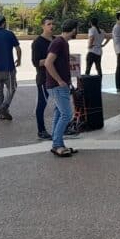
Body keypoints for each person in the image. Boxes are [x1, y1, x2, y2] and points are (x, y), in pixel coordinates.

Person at [44, 19, 79, 157]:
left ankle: (58, 143)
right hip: (57, 86)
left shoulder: (62, 42)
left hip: (60, 85)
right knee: (67, 114)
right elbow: (48, 63)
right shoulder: (59, 42)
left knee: (59, 113)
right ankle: (57, 145)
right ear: (74, 30)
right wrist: (59, 80)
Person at [31, 16, 55, 140]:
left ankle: (62, 127)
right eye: (48, 24)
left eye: (52, 24)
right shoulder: (37, 42)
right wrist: (50, 60)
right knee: (42, 104)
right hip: (44, 78)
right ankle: (41, 130)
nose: (51, 26)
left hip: (57, 78)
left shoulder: (56, 40)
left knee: (61, 104)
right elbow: (36, 62)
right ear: (43, 26)